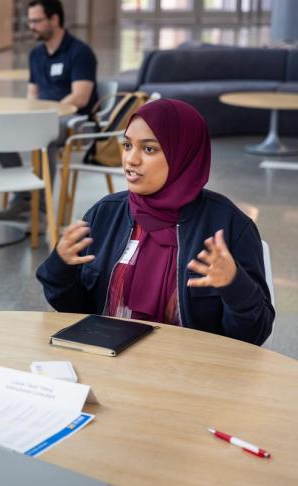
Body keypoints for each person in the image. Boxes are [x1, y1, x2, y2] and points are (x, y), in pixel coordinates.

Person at [36, 99, 274, 345]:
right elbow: (76, 312)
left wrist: (235, 285)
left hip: (192, 371)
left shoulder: (229, 226)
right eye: (127, 145)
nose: (131, 160)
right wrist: (61, 267)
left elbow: (252, 337)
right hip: (107, 361)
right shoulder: (105, 214)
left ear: (183, 153)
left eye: (148, 149)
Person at [0, 0, 98, 222]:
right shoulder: (36, 55)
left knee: (45, 135)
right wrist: (28, 114)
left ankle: (41, 207)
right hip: (43, 116)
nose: (31, 26)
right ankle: (22, 197)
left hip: (74, 119)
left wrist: (47, 114)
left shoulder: (79, 52)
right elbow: (32, 94)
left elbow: (80, 97)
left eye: (36, 21)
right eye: (29, 21)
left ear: (54, 19)